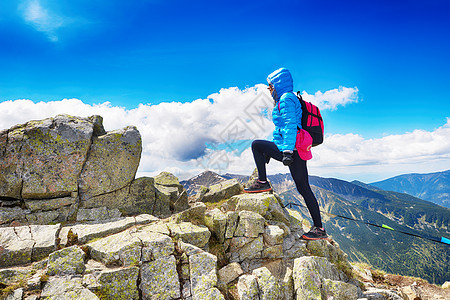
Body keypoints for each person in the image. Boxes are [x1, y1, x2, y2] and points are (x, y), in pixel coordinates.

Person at [244, 67, 327, 240]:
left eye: (270, 85)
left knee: (256, 145)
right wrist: (276, 147)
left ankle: (262, 182)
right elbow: (282, 129)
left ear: (278, 83)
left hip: (292, 149)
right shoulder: (285, 98)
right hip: (295, 148)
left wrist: (287, 151)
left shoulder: (286, 98)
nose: (269, 88)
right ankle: (319, 229)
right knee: (304, 188)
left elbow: (290, 125)